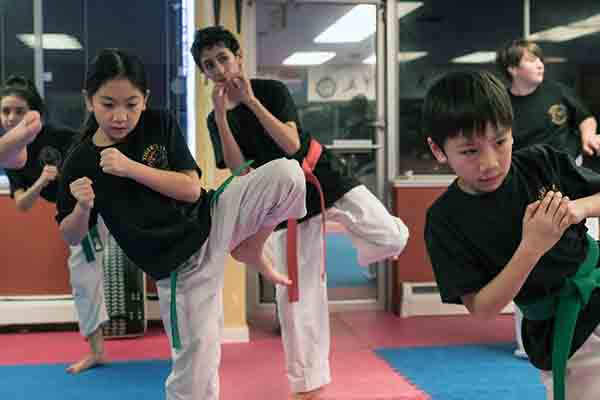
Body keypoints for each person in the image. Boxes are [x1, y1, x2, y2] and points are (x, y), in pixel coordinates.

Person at [55, 48, 307, 400]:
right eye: (108, 104)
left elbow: (190, 189)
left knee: (288, 174)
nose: (120, 116)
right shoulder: (80, 161)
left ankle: (251, 247)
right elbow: (71, 234)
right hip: (179, 268)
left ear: (145, 99)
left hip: (212, 216)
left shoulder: (159, 123)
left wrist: (130, 167)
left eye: (131, 104)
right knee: (196, 369)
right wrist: (83, 207)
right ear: (89, 101)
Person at [192, 26, 409, 399]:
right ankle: (307, 384)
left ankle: (362, 253)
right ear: (204, 73)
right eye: (209, 65)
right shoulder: (216, 119)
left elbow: (291, 143)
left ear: (238, 57)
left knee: (390, 236)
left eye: (223, 59)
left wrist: (251, 102)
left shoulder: (271, 91)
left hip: (320, 175)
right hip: (282, 203)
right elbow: (239, 170)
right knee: (295, 297)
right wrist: (223, 118)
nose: (219, 70)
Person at [423, 70, 600, 400]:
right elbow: (483, 309)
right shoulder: (446, 220)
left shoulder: (540, 163)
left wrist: (577, 209)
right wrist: (532, 247)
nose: (490, 163)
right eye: (470, 151)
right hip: (564, 330)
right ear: (438, 150)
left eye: (500, 142)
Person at [497, 39, 600, 358]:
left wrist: (588, 135)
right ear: (513, 69)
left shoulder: (557, 92)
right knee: (531, 261)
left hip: (574, 179)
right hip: (529, 189)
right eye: (531, 60)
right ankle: (529, 341)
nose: (540, 64)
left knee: (589, 254)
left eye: (540, 59)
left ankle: (590, 328)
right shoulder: (501, 105)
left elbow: (585, 117)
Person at [0, 75, 109, 374]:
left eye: (19, 111)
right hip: (79, 215)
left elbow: (93, 152)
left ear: (35, 115)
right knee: (84, 278)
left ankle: (99, 351)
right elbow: (22, 204)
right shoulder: (12, 156)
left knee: (88, 275)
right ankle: (97, 351)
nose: (11, 118)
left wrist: (70, 176)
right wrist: (41, 181)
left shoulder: (56, 136)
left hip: (101, 203)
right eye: (6, 111)